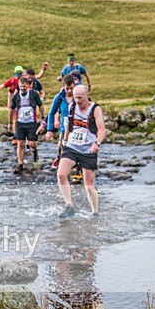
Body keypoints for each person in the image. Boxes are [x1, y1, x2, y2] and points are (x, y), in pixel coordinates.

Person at [57, 84, 106, 218]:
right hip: (72, 147)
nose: (77, 101)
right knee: (61, 175)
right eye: (75, 97)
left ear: (86, 95)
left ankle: (95, 213)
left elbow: (102, 130)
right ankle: (69, 206)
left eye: (80, 98)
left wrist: (97, 143)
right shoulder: (72, 107)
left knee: (89, 185)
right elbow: (68, 125)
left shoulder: (95, 109)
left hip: (88, 150)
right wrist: (64, 141)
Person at [9, 77, 44, 173]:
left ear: (28, 85)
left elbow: (40, 105)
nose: (22, 89)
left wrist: (42, 117)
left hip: (32, 122)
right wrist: (10, 122)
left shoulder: (34, 94)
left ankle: (35, 151)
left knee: (32, 144)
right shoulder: (16, 96)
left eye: (24, 86)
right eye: (21, 87)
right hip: (20, 123)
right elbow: (11, 109)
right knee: (20, 143)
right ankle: (20, 164)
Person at [42, 74, 77, 167]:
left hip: (78, 128)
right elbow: (51, 114)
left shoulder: (79, 96)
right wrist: (49, 130)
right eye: (67, 88)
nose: (69, 91)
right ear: (63, 86)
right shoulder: (59, 98)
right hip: (64, 128)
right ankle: (59, 157)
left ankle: (79, 168)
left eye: (71, 88)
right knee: (62, 146)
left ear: (74, 85)